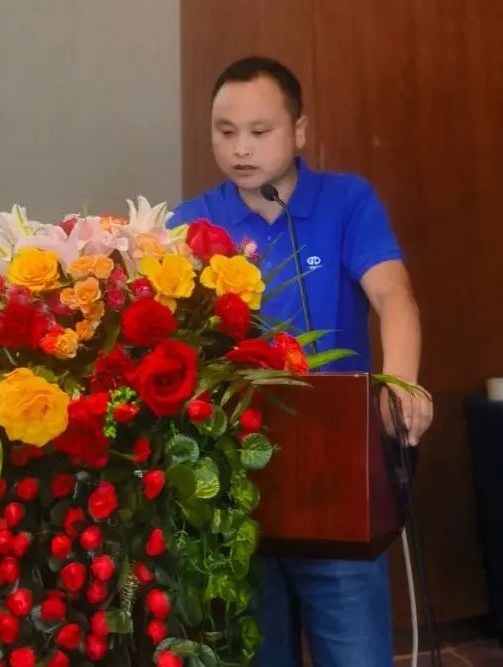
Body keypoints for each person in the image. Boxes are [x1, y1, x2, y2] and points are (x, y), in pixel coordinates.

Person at [169, 56, 433, 667]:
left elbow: (393, 294)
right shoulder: (190, 225)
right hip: (234, 481)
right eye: (225, 132)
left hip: (333, 475)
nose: (240, 149)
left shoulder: (346, 200)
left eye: (259, 132)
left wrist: (402, 383)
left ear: (299, 131)